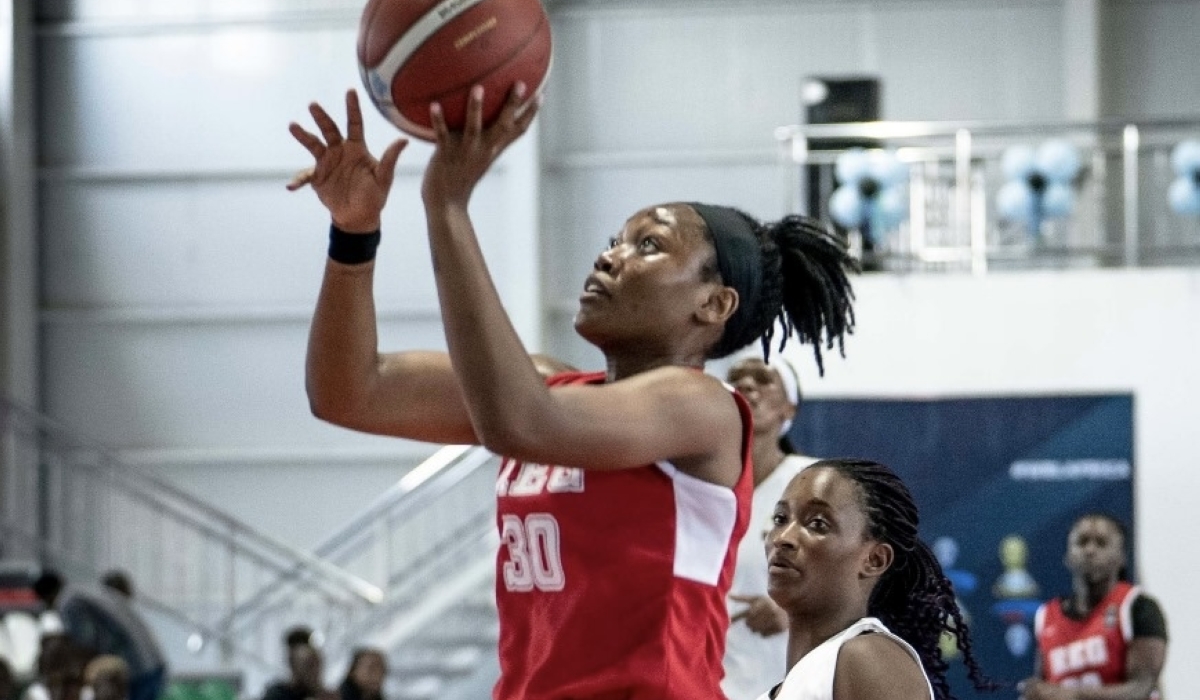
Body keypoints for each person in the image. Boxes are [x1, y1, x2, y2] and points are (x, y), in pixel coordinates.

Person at [287, 84, 856, 699]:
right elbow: (348, 392)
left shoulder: (704, 409)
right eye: (616, 239)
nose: (610, 256)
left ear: (714, 304)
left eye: (648, 245)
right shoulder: (546, 388)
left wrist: (447, 207)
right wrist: (354, 234)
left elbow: (524, 423)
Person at [760, 459, 993, 700]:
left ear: (875, 559)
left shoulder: (867, 658)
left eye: (818, 524)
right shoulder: (799, 681)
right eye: (780, 519)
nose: (782, 538)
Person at [722, 353, 819, 700]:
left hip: (785, 683)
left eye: (763, 379)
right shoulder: (696, 483)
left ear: (789, 409)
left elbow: (859, 579)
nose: (746, 385)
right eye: (736, 377)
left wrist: (792, 611)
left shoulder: (815, 482)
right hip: (707, 682)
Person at [1021, 513, 1168, 700]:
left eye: (1101, 543)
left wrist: (1074, 696)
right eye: (1081, 542)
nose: (1090, 550)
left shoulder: (1137, 607)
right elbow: (1046, 687)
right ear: (1068, 556)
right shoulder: (1046, 616)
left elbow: (1142, 689)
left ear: (1121, 557)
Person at [260, 643, 335, 700]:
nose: (315, 671)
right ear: (294, 667)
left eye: (317, 664)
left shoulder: (323, 695)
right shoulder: (277, 695)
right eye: (309, 665)